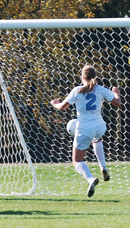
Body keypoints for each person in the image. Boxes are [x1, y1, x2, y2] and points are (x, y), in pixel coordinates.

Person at [50, 65, 121, 197]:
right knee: (97, 139)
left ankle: (90, 179)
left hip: (84, 128)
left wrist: (55, 103)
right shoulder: (100, 89)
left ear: (82, 77)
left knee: (77, 161)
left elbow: (62, 107)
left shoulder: (77, 90)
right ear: (95, 77)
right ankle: (103, 167)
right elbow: (118, 103)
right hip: (100, 126)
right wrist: (116, 92)